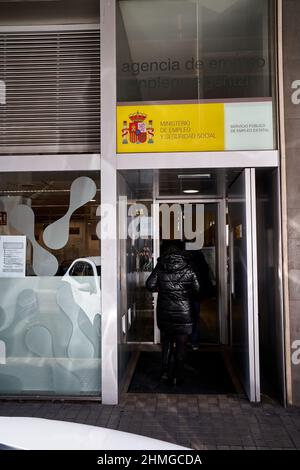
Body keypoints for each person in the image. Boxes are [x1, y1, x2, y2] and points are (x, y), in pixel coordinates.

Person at [146, 240, 200, 386]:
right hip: (183, 313)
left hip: (165, 312)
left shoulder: (161, 265)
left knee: (167, 343)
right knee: (181, 345)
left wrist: (161, 289)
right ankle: (178, 376)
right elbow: (197, 289)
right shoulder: (188, 267)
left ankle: (164, 372)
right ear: (181, 251)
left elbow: (149, 284)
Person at [187, 249, 214, 349]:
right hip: (196, 295)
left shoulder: (187, 263)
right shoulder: (201, 262)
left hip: (185, 295)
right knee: (195, 317)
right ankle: (194, 341)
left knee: (184, 317)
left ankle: (183, 340)